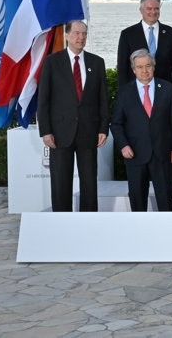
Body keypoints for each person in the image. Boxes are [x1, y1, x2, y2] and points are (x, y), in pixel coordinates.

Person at [36, 21, 109, 212]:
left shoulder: (97, 62)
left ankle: (88, 223)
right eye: (76, 33)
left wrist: (103, 128)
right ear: (67, 35)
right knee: (60, 183)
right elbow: (43, 100)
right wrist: (46, 131)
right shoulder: (52, 62)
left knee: (89, 183)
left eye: (84, 34)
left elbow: (103, 99)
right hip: (60, 134)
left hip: (89, 132)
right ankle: (61, 224)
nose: (81, 38)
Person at [116, 0, 172, 196]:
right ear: (141, 10)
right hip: (138, 96)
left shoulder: (171, 33)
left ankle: (169, 183)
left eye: (156, 9)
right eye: (149, 9)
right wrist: (125, 98)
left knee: (164, 140)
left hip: (165, 96)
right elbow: (122, 69)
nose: (153, 12)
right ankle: (139, 186)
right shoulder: (128, 34)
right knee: (142, 140)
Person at [110, 49, 172, 212]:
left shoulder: (167, 88)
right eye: (140, 67)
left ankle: (168, 232)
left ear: (154, 67)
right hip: (134, 154)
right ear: (133, 69)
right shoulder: (125, 92)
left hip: (162, 153)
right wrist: (123, 145)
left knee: (166, 200)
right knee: (137, 199)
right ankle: (139, 233)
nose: (144, 70)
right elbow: (116, 124)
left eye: (148, 66)